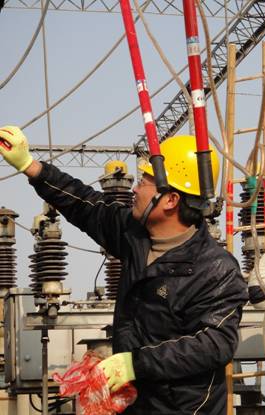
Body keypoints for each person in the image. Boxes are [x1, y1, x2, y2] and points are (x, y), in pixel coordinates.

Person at [0, 126, 248, 414]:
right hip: (136, 404)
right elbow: (85, 204)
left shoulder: (215, 268)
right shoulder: (135, 237)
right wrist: (31, 166)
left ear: (171, 199)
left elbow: (214, 343)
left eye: (144, 181)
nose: (135, 188)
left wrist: (134, 364)